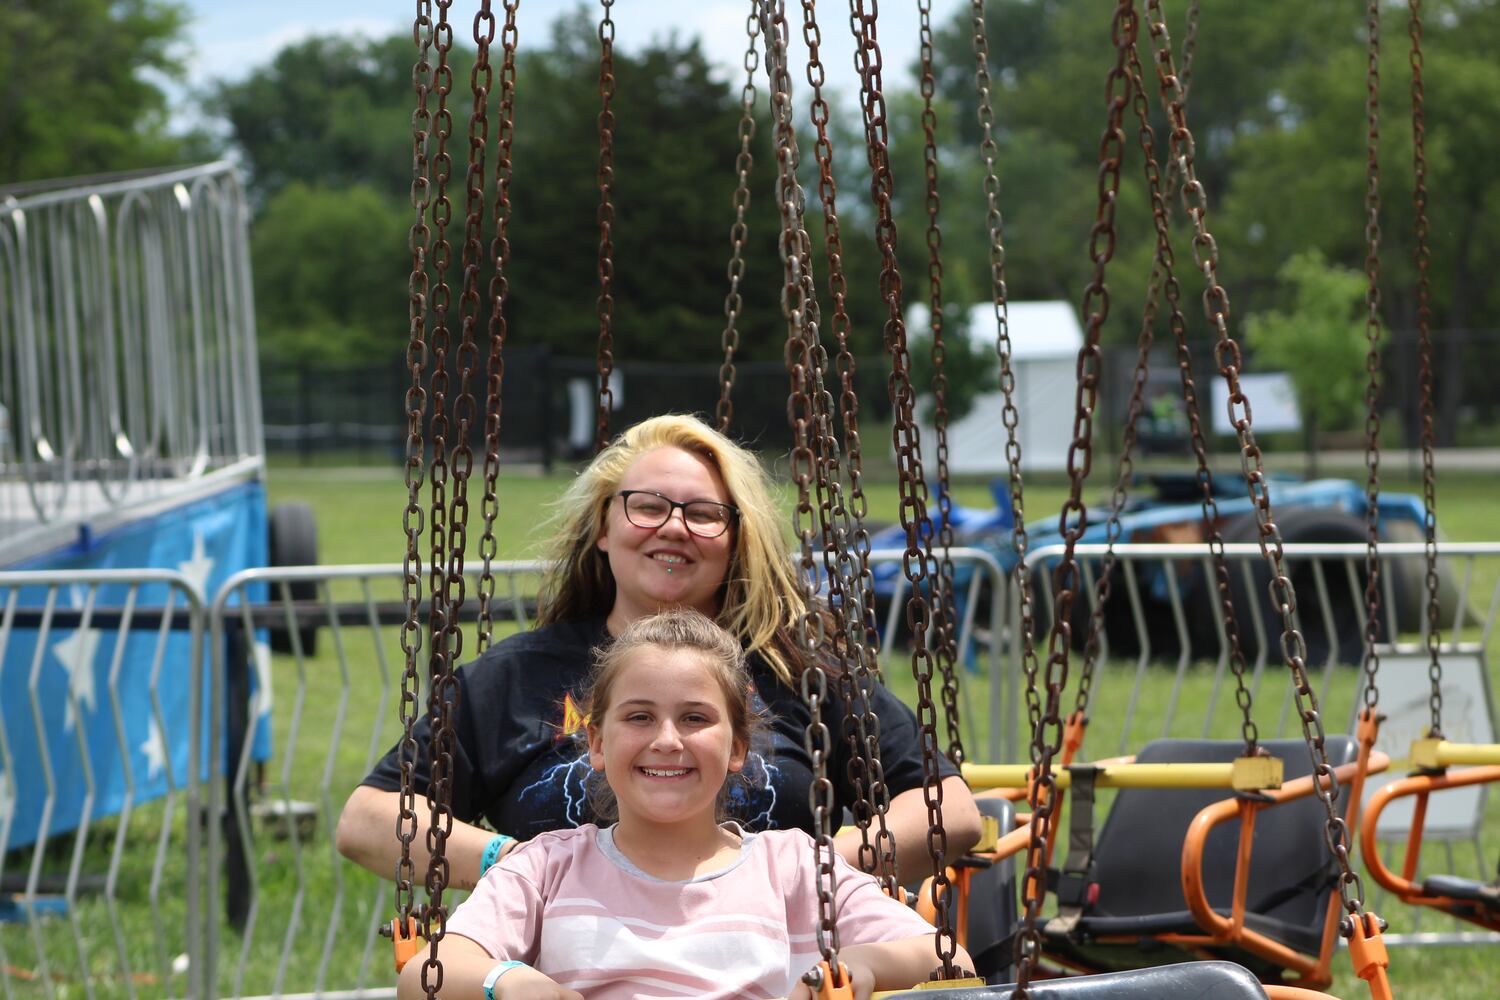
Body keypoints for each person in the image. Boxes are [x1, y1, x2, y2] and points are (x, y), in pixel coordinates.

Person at [337, 414, 981, 889]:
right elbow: (369, 820)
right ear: (603, 528)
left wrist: (807, 871)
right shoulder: (512, 677)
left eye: (704, 513)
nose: (674, 526)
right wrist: (514, 865)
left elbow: (947, 810)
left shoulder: (794, 673)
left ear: (734, 540)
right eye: (646, 507)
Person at [394, 610, 971, 1000]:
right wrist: (514, 982)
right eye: (639, 717)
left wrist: (865, 965)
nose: (667, 740)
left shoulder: (794, 867)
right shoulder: (546, 869)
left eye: (695, 718)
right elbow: (427, 972)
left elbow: (951, 961)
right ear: (596, 743)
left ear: (737, 747)